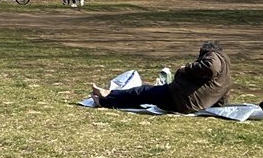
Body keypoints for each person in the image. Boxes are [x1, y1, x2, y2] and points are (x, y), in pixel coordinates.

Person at [91, 41, 233, 113]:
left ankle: (106, 98)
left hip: (181, 96)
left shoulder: (213, 55)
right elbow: (222, 102)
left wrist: (186, 68)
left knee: (143, 92)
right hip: (191, 104)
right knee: (145, 96)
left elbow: (210, 68)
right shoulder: (226, 78)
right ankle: (109, 96)